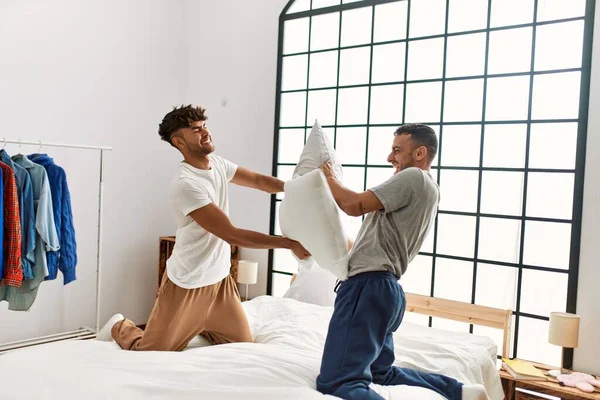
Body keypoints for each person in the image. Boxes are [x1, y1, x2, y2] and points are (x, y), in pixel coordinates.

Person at [96, 105, 310, 351]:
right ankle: (119, 326)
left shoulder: (217, 164)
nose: (205, 132)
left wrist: (297, 189)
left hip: (220, 283)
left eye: (204, 126)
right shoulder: (185, 185)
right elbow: (232, 234)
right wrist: (288, 243)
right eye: (196, 130)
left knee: (244, 347)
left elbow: (259, 181)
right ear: (179, 141)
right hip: (187, 283)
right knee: (150, 351)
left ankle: (206, 325)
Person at [316, 124, 470, 400]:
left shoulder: (414, 178)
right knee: (380, 373)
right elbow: (375, 237)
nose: (390, 157)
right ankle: (458, 391)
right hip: (386, 292)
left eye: (397, 150)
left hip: (368, 287)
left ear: (420, 153)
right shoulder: (430, 189)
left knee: (338, 382)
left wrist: (326, 176)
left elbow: (354, 205)